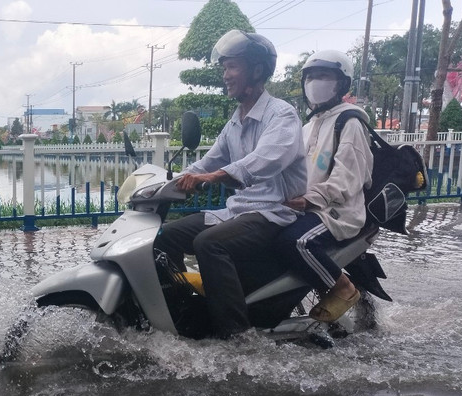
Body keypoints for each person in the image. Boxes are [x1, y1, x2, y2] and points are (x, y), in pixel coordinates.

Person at [154, 30, 307, 338]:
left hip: (273, 212)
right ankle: (184, 313)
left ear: (257, 69)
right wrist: (163, 181)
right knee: (164, 237)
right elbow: (207, 162)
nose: (225, 75)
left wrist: (212, 178)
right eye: (223, 68)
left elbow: (266, 160)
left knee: (209, 243)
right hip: (238, 212)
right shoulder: (235, 122)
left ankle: (236, 335)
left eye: (231, 67)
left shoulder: (281, 115)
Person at [274, 50, 374, 322]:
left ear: (341, 84)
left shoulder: (350, 121)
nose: (315, 83)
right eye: (311, 77)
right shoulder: (308, 125)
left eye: (324, 76)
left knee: (298, 241)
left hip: (336, 211)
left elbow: (348, 179)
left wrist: (310, 198)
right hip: (306, 207)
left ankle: (344, 287)